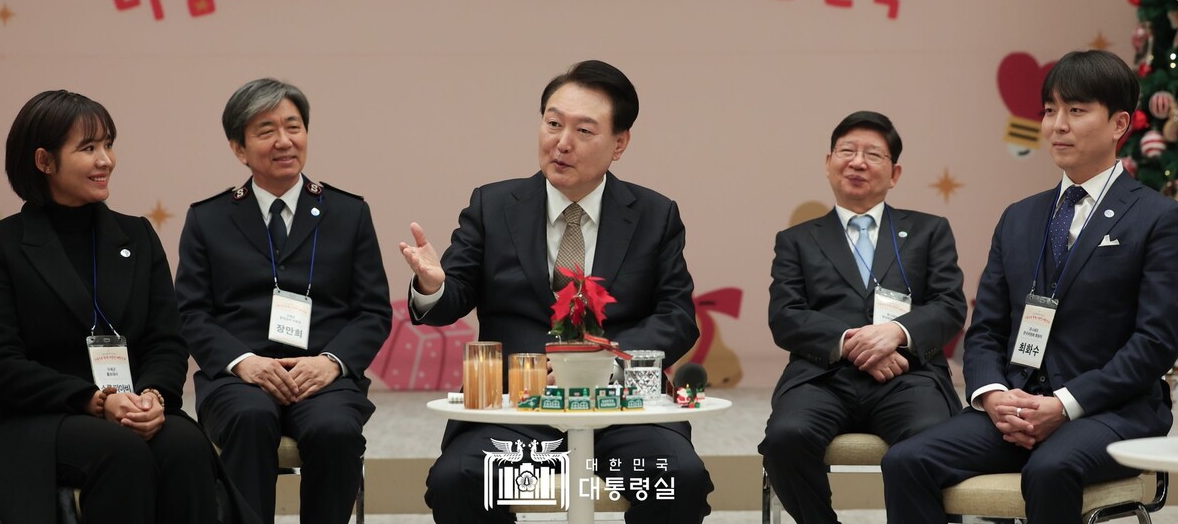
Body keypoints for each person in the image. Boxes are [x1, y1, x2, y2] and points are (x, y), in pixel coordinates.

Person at [400, 59, 713, 524]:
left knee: (679, 481)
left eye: (584, 131)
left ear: (619, 143)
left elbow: (677, 317)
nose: (562, 142)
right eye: (553, 124)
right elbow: (452, 297)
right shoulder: (493, 205)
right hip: (514, 409)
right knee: (459, 481)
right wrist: (432, 284)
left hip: (622, 409)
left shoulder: (654, 215)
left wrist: (601, 363)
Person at [883, 50, 1178, 524]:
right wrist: (993, 395)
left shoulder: (1158, 218)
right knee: (906, 461)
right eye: (1049, 110)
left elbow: (1156, 342)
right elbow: (986, 329)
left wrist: (1063, 404)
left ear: (1119, 124)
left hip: (1111, 411)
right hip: (1016, 405)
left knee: (1050, 469)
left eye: (1076, 110)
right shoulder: (1019, 217)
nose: (1057, 125)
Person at [0, 90, 233, 524]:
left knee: (186, 446)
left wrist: (153, 396)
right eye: (88, 148)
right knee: (121, 451)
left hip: (130, 404)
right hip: (35, 415)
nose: (106, 160)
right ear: (44, 161)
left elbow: (166, 341)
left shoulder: (137, 236)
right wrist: (94, 402)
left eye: (108, 144)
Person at [175, 77, 392, 524]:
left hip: (323, 376)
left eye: (293, 126)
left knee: (334, 428)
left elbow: (372, 312)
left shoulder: (348, 213)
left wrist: (331, 363)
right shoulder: (208, 218)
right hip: (240, 379)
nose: (284, 141)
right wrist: (243, 362)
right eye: (266, 130)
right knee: (250, 418)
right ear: (239, 148)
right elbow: (191, 312)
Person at [757, 110, 966, 524]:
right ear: (828, 162)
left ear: (895, 173)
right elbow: (785, 316)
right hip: (823, 377)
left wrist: (896, 333)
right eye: (847, 151)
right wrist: (855, 343)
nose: (857, 162)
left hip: (908, 375)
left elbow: (949, 306)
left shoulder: (929, 230)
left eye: (872, 154)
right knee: (785, 438)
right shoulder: (797, 240)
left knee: (930, 439)